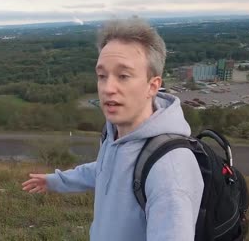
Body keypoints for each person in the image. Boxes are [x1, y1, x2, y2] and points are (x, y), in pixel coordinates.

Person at [22, 17, 204, 241]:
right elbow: (105, 169)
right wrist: (56, 181)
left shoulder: (170, 170)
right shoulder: (116, 134)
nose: (108, 88)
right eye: (102, 76)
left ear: (152, 86)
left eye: (123, 76)